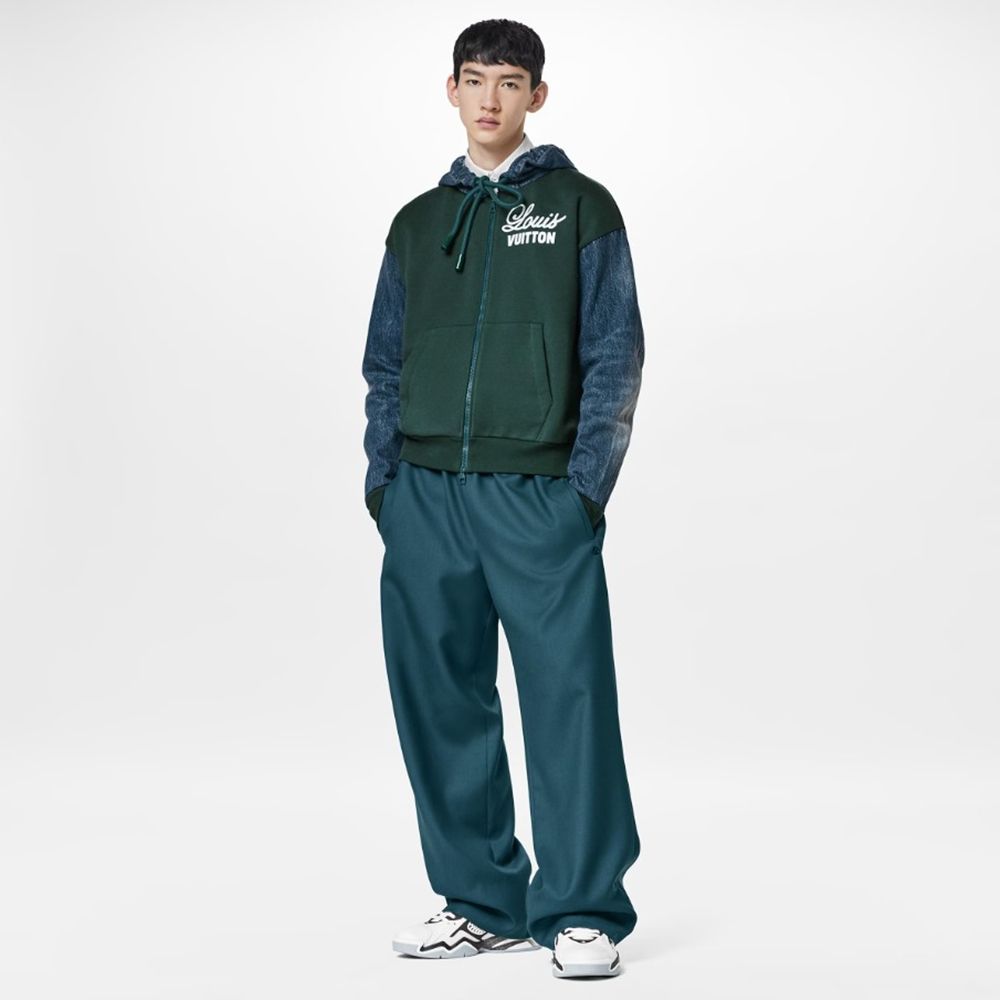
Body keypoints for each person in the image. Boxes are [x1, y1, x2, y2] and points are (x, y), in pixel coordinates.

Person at [361, 18, 645, 980]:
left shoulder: (580, 207)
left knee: (568, 697)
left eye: (510, 82)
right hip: (425, 496)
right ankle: (482, 900)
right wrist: (387, 485)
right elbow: (384, 364)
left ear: (537, 97)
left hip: (537, 495)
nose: (491, 99)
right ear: (451, 90)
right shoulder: (416, 221)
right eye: (475, 80)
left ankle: (582, 909)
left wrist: (583, 493)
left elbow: (615, 354)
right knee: (440, 700)